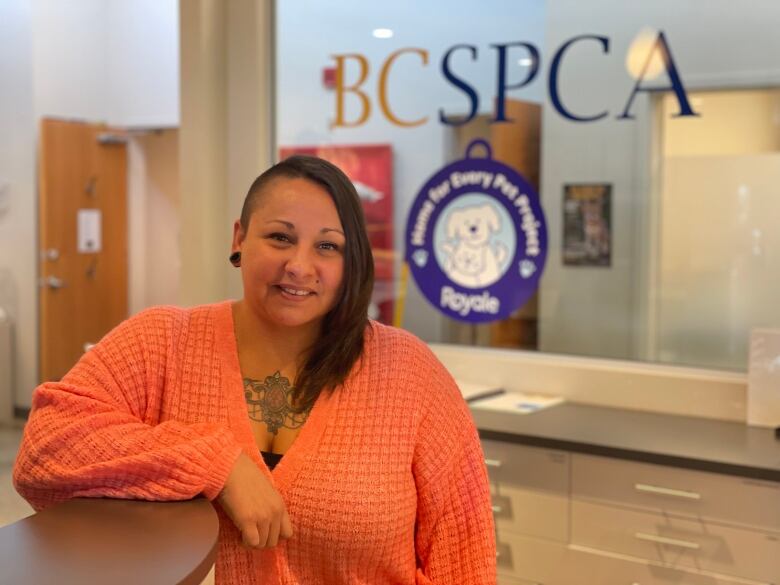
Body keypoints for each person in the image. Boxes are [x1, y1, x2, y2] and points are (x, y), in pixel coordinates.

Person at [13, 155, 497, 584]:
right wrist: (216, 465)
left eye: (327, 247)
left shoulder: (409, 373)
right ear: (240, 237)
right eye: (280, 237)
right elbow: (44, 449)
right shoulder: (163, 341)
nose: (300, 266)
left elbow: (463, 556)